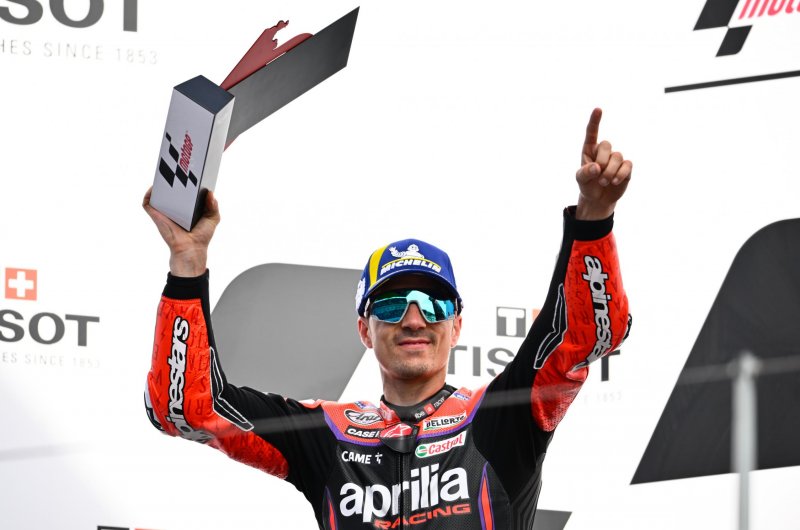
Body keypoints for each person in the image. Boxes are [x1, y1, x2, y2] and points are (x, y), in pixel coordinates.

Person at [142, 108, 632, 529]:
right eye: (393, 305)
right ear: (364, 329)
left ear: (457, 327)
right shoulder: (328, 435)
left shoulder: (502, 416)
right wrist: (187, 262)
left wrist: (593, 217)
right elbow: (186, 408)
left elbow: (583, 333)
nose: (414, 320)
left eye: (434, 305)